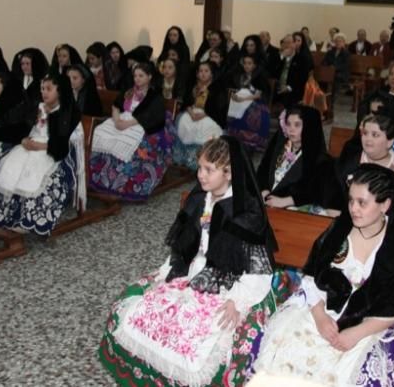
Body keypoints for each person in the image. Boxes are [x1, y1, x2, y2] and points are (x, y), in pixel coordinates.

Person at [99, 137, 277, 386]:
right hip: (194, 273)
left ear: (229, 173)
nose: (200, 175)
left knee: (201, 333)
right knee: (147, 311)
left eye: (208, 170)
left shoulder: (245, 212)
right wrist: (168, 272)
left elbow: (257, 268)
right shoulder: (199, 199)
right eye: (200, 167)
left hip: (230, 281)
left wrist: (235, 301)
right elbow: (185, 246)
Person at [252, 165, 394, 385]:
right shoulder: (339, 230)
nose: (354, 208)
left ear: (385, 205)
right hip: (323, 308)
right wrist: (320, 317)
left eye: (362, 202)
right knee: (290, 347)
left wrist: (356, 333)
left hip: (370, 322)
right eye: (351, 200)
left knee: (346, 370)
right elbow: (313, 274)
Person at [0, 74, 81, 234]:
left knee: (35, 172)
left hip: (51, 150)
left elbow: (63, 142)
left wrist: (41, 146)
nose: (44, 92)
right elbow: (20, 128)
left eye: (48, 89)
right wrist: (23, 140)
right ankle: (1, 214)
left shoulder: (68, 112)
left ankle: (25, 218)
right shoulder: (37, 107)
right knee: (9, 165)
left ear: (59, 91)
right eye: (42, 89)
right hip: (30, 145)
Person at [333, 113, 394, 227]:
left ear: (389, 141)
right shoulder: (347, 165)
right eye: (365, 133)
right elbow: (334, 205)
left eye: (375, 135)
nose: (368, 139)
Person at [89, 62, 169, 201]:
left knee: (125, 140)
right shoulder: (129, 91)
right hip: (121, 119)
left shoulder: (154, 95)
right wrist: (116, 120)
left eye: (141, 76)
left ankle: (120, 184)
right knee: (99, 132)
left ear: (149, 77)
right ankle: (97, 179)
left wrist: (126, 124)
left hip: (138, 123)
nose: (137, 79)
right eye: (135, 76)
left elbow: (150, 115)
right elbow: (116, 106)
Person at [256, 105, 331, 211]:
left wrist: (286, 201)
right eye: (288, 124)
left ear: (308, 128)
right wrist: (264, 189)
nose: (291, 129)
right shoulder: (279, 145)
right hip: (267, 199)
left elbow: (314, 191)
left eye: (297, 125)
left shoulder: (317, 157)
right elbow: (263, 168)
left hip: (292, 206)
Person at [173, 61, 226, 169]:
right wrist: (191, 112)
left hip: (209, 115)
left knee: (205, 125)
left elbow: (218, 108)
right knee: (183, 120)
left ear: (211, 73)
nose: (203, 74)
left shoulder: (217, 88)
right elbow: (186, 102)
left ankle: (198, 158)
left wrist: (203, 115)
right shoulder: (193, 86)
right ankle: (181, 156)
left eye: (206, 71)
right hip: (193, 112)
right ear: (197, 73)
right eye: (200, 71)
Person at [225, 53, 271, 153]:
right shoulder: (240, 76)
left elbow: (259, 94)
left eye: (249, 63)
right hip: (241, 99)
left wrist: (244, 99)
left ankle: (250, 142)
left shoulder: (259, 76)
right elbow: (235, 89)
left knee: (252, 112)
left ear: (254, 65)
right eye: (245, 63)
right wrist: (235, 96)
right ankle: (235, 139)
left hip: (256, 100)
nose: (246, 65)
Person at [273, 34, 310, 109]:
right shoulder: (278, 57)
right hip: (277, 87)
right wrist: (281, 56)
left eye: (289, 43)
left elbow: (302, 78)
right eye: (284, 43)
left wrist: (288, 87)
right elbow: (272, 72)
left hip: (293, 89)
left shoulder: (302, 59)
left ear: (294, 44)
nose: (287, 45)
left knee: (287, 99)